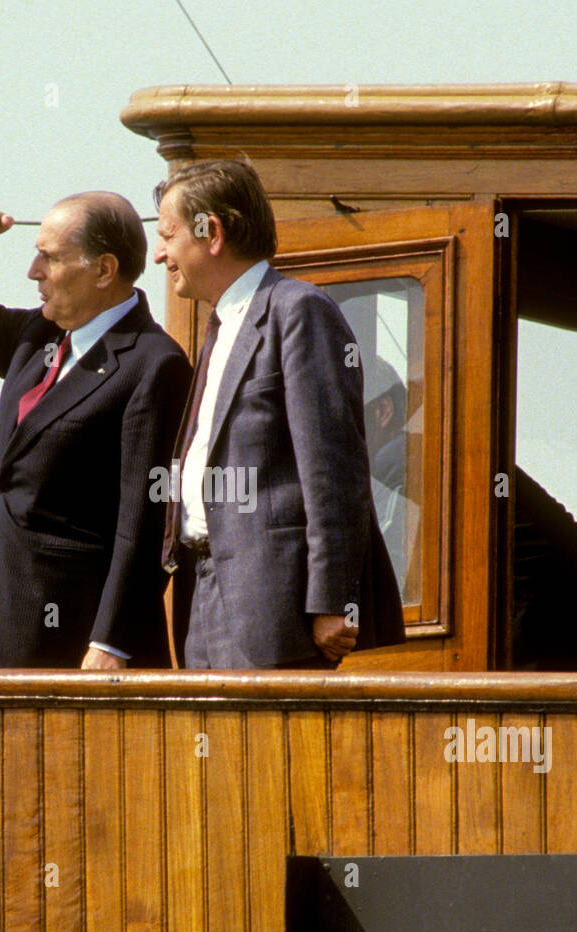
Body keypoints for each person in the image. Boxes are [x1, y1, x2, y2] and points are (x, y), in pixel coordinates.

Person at [0, 192, 191, 668]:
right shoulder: (37, 337)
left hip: (79, 633)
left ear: (104, 270)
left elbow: (145, 521)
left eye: (50, 257)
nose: (33, 271)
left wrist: (112, 642)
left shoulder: (154, 364)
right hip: (4, 612)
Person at [154, 159, 405, 668]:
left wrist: (331, 601)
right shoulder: (221, 325)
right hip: (199, 594)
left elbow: (333, 467)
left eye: (168, 235)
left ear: (212, 233)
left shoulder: (298, 310)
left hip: (272, 605)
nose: (160, 253)